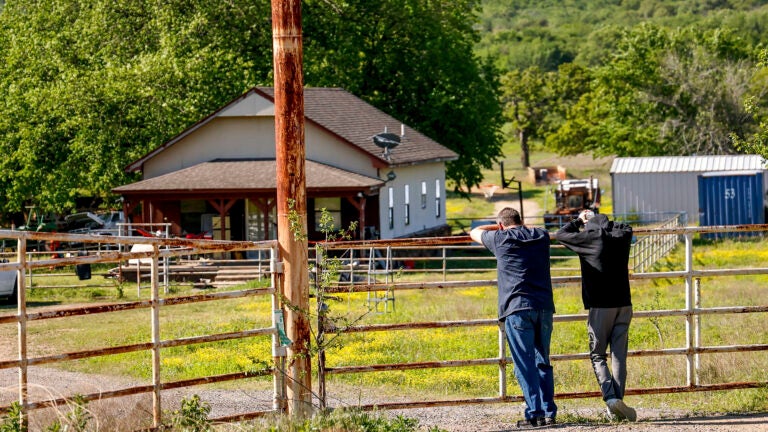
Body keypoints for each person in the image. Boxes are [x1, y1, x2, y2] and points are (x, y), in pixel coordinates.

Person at [470, 207, 557, 427]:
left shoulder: (499, 238)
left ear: (501, 225)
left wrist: (496, 226)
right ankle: (549, 412)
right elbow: (542, 231)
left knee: (524, 363)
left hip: (517, 308)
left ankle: (535, 413)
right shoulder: (540, 235)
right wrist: (523, 227)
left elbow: (474, 231)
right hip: (544, 307)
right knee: (542, 361)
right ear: (522, 221)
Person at [554, 210, 637, 422]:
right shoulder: (621, 235)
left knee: (598, 355)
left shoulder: (588, 237)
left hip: (600, 306)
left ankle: (611, 399)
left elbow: (560, 234)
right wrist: (603, 220)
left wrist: (579, 220)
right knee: (619, 355)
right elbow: (626, 227)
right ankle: (617, 402)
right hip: (624, 303)